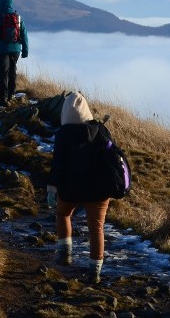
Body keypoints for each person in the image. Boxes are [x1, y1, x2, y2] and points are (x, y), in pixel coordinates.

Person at [46, 92, 113, 284]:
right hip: (99, 190)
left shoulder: (63, 134)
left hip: (71, 188)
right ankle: (95, 271)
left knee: (63, 214)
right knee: (96, 228)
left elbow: (58, 165)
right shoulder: (101, 131)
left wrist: (52, 188)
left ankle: (64, 253)